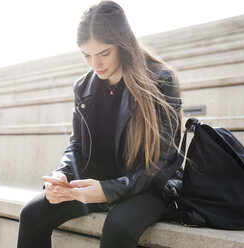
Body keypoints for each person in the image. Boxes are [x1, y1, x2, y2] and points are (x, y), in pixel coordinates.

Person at [17, 1, 182, 247]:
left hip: (148, 186)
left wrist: (110, 190)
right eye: (86, 55)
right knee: (32, 212)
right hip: (98, 183)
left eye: (104, 53)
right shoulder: (83, 87)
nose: (96, 64)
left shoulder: (160, 79)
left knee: (119, 225)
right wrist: (61, 175)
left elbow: (163, 162)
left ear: (123, 43)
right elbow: (77, 145)